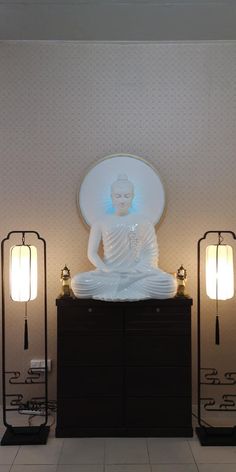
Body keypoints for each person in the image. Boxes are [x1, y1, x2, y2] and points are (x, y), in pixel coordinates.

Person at [71, 174, 177, 300]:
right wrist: (106, 270)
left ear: (133, 197)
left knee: (169, 283)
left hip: (137, 274)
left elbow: (151, 254)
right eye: (118, 196)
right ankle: (124, 286)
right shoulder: (100, 222)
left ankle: (121, 287)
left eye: (126, 196)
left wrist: (135, 271)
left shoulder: (144, 222)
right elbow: (92, 253)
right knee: (78, 282)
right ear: (111, 197)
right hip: (109, 274)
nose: (122, 200)